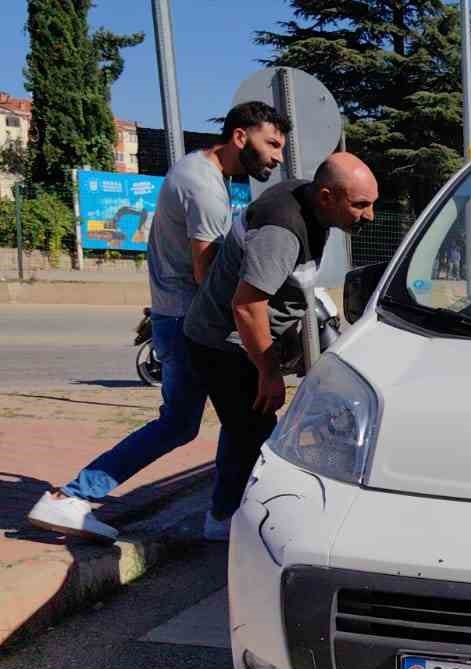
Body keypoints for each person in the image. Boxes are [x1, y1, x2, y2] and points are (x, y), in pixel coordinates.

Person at [26, 102, 289, 543]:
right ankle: (75, 497)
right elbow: (208, 276)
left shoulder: (200, 172)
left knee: (202, 422)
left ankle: (218, 515)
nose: (277, 157)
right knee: (231, 419)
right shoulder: (204, 187)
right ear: (241, 136)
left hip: (176, 316)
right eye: (272, 144)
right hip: (190, 322)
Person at [182, 153, 378, 535]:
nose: (369, 215)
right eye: (360, 204)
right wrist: (268, 373)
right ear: (326, 197)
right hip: (226, 345)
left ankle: (224, 510)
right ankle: (227, 521)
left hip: (242, 341)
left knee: (242, 428)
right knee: (255, 434)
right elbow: (247, 305)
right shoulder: (283, 230)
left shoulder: (308, 207)